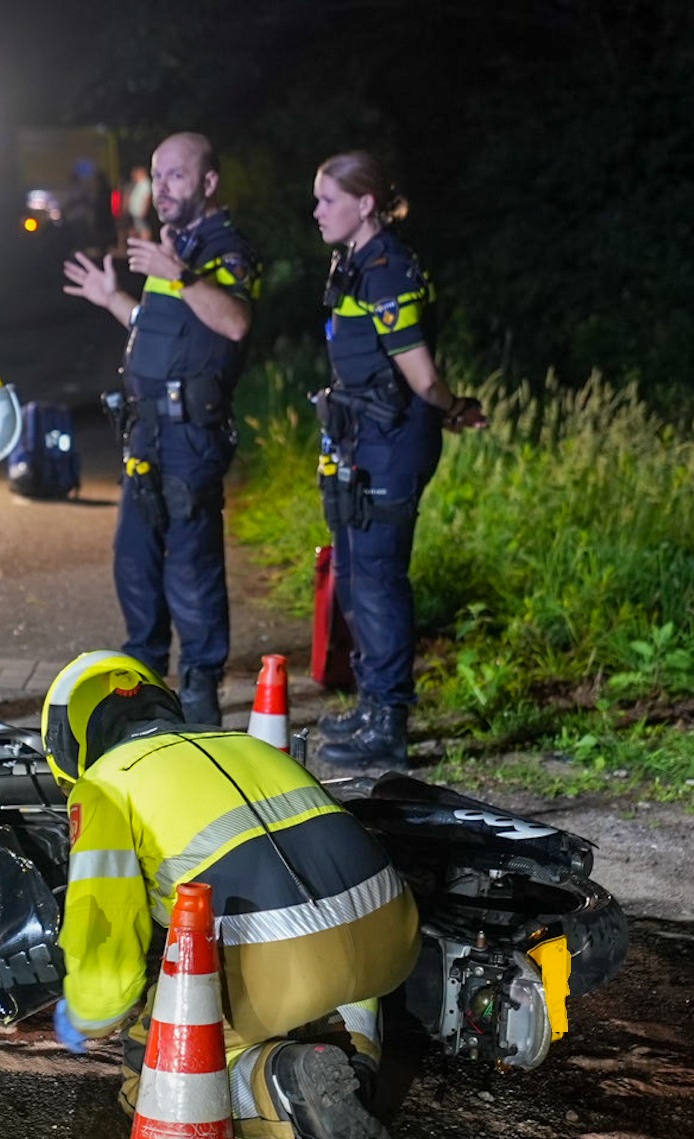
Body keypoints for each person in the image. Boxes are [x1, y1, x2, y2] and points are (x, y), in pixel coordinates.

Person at [42, 651, 421, 1139]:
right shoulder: (246, 743)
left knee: (155, 1091)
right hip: (388, 929)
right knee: (337, 969)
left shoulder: (104, 783)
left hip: (277, 960)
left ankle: (289, 1093)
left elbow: (107, 932)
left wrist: (90, 1015)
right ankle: (354, 1068)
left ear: (68, 741)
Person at [63, 132, 259, 725]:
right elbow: (159, 325)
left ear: (209, 182)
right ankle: (143, 693)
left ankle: (200, 696)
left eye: (177, 175)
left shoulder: (225, 248)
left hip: (190, 436)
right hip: (146, 433)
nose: (163, 187)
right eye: (157, 174)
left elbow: (234, 322)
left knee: (192, 566)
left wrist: (180, 272)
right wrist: (112, 298)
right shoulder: (174, 246)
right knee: (135, 561)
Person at [310, 151, 485, 770]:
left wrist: (453, 406)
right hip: (363, 438)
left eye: (328, 199)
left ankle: (390, 724)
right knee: (356, 579)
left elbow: (422, 374)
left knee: (379, 582)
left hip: (391, 442)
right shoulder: (354, 263)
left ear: (364, 204)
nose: (316, 211)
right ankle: (371, 705)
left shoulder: (387, 270)